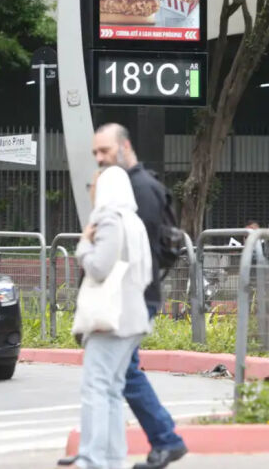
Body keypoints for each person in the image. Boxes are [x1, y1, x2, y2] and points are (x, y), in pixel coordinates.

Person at [63, 123, 188, 469]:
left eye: (104, 151)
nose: (99, 160)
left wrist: (88, 245)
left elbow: (120, 258)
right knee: (119, 378)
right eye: (96, 154)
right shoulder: (134, 192)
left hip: (125, 300)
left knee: (112, 379)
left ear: (124, 146)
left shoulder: (135, 195)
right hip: (132, 299)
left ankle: (155, 441)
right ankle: (111, 450)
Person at [73, 166, 153, 469]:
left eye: (94, 184)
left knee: (95, 389)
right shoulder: (134, 221)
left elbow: (98, 268)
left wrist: (83, 245)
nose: (91, 190)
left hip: (110, 321)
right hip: (133, 318)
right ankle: (113, 459)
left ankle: (93, 460)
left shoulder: (107, 219)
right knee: (112, 390)